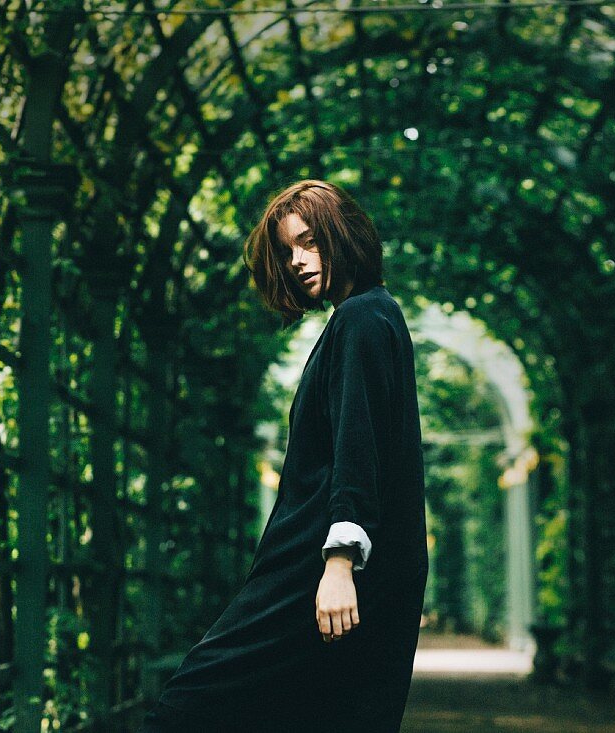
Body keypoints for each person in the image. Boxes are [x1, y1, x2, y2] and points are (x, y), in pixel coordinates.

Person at [138, 180, 428, 733]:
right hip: (339, 569)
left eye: (310, 242)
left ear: (344, 236)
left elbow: (358, 445)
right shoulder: (368, 317)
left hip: (316, 571)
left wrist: (340, 561)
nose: (297, 261)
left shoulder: (362, 319)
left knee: (189, 705)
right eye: (288, 250)